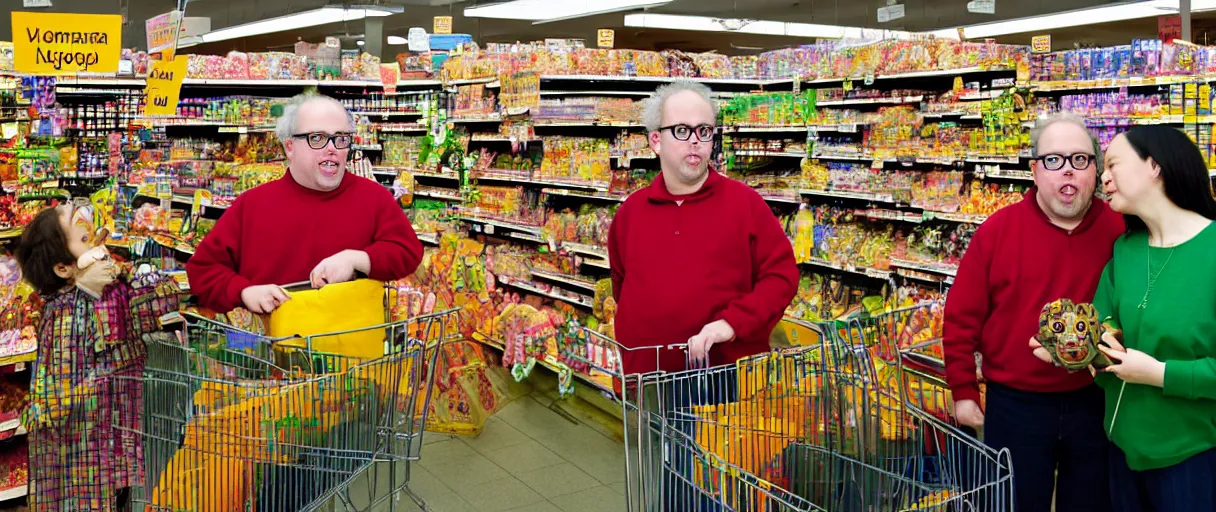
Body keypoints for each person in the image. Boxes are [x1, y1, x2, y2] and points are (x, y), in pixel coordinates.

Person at [607, 80, 798, 511]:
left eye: (705, 131)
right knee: (669, 486)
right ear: (655, 140)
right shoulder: (630, 214)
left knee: (723, 492)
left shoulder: (745, 205)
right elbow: (622, 283)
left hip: (727, 380)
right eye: (682, 131)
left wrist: (732, 322)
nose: (695, 142)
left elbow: (782, 275)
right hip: (657, 380)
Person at [943, 113, 1124, 512]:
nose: (1068, 172)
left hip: (1097, 400)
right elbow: (961, 317)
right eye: (1053, 160)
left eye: (1080, 160)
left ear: (1096, 169)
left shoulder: (1120, 232)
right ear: (1034, 170)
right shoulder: (996, 232)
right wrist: (962, 389)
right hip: (1015, 406)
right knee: (1012, 503)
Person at [1030, 125, 1216, 511]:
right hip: (1119, 450)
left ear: (1154, 166)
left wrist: (1161, 374)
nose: (1103, 177)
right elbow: (1103, 328)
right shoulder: (1126, 251)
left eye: (1112, 163)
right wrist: (1074, 350)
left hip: (1192, 459)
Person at [185, 93, 423, 313]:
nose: (331, 149)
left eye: (340, 139)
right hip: (267, 349)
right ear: (290, 147)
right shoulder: (251, 205)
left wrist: (357, 259)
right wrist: (243, 292)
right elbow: (203, 270)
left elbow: (408, 251)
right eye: (317, 138)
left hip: (352, 347)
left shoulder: (373, 198)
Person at [15, 204, 179, 512]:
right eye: (85, 239)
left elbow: (168, 293)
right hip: (82, 463)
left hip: (114, 452)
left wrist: (124, 271)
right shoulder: (64, 317)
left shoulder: (115, 294)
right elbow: (60, 397)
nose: (99, 248)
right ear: (64, 269)